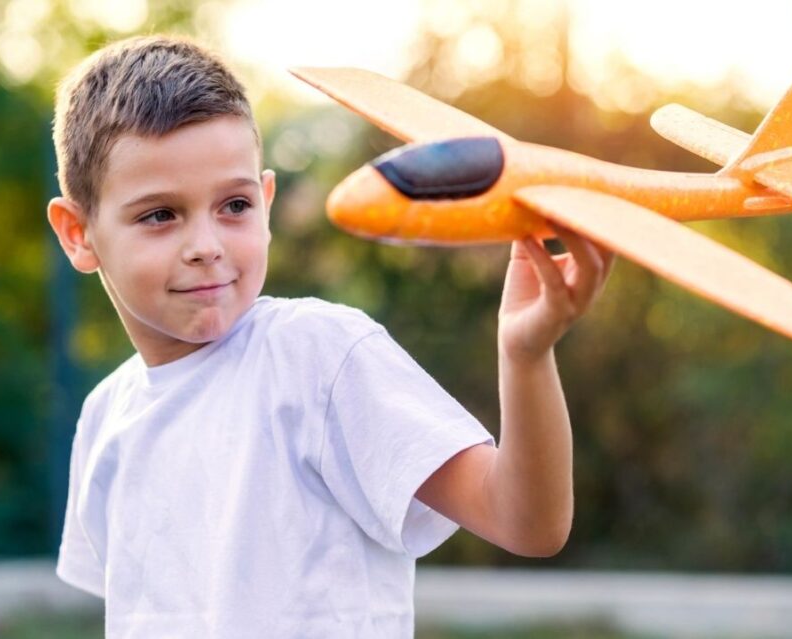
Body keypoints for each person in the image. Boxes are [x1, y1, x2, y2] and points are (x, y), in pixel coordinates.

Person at [47, 34, 614, 638]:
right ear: (78, 233)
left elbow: (527, 523)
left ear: (265, 202)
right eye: (160, 215)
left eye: (233, 205)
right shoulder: (105, 415)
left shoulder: (317, 355)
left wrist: (524, 356)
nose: (206, 247)